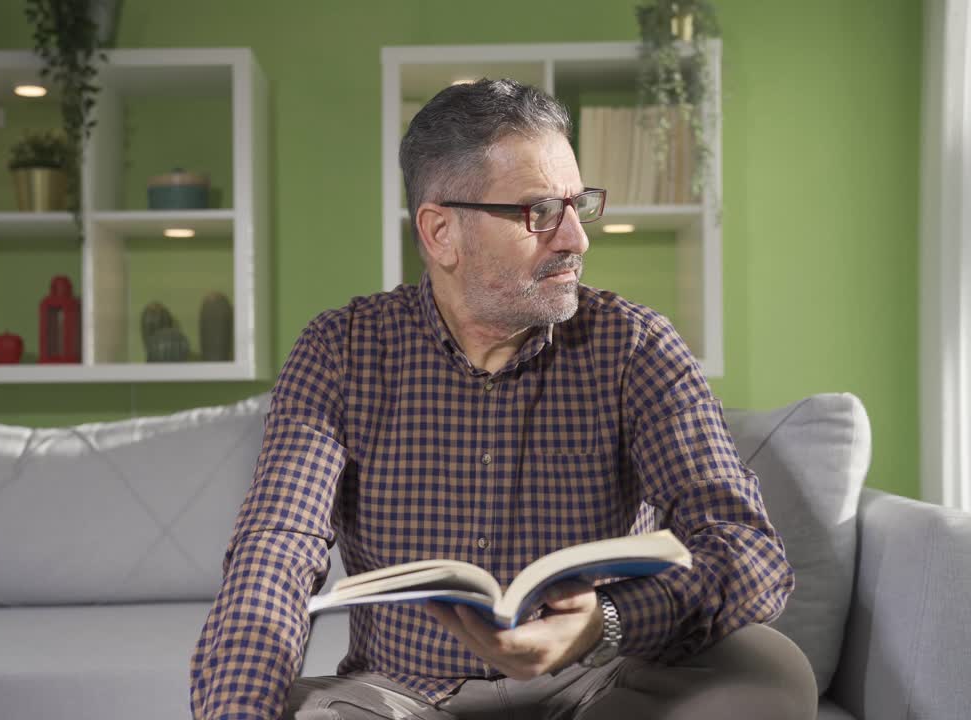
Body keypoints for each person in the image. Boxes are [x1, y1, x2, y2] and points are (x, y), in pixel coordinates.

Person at [190, 78, 817, 720]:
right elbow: (275, 552)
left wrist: (605, 620)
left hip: (600, 685)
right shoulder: (339, 350)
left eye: (578, 205)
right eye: (539, 211)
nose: (576, 239)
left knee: (768, 672)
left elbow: (745, 546)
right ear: (440, 233)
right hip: (405, 698)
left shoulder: (634, 343)